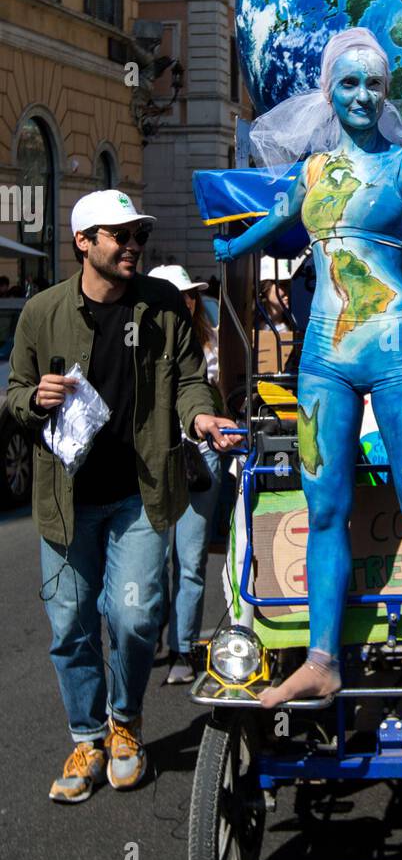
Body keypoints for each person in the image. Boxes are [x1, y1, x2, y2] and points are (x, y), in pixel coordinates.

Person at [213, 28, 402, 710]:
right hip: (324, 358)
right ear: (329, 92)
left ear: (388, 91)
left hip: (399, 345)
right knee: (325, 509)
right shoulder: (313, 173)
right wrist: (231, 244)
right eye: (349, 83)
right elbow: (274, 217)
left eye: (374, 83)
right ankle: (321, 659)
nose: (363, 95)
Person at [7, 190, 241, 804]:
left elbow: (190, 380)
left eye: (139, 234)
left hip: (141, 494)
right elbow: (13, 392)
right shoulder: (41, 312)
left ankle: (125, 722)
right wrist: (35, 400)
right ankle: (87, 736)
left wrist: (201, 419)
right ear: (85, 243)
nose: (134, 244)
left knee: (136, 617)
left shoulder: (162, 306)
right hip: (66, 500)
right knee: (71, 625)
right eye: (121, 235)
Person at [149, 264, 225, 684]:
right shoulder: (142, 338)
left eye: (190, 294)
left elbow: (217, 394)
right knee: (154, 559)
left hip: (201, 455)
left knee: (190, 559)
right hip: (156, 458)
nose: (187, 301)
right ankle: (152, 628)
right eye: (179, 295)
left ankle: (183, 649)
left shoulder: (211, 339)